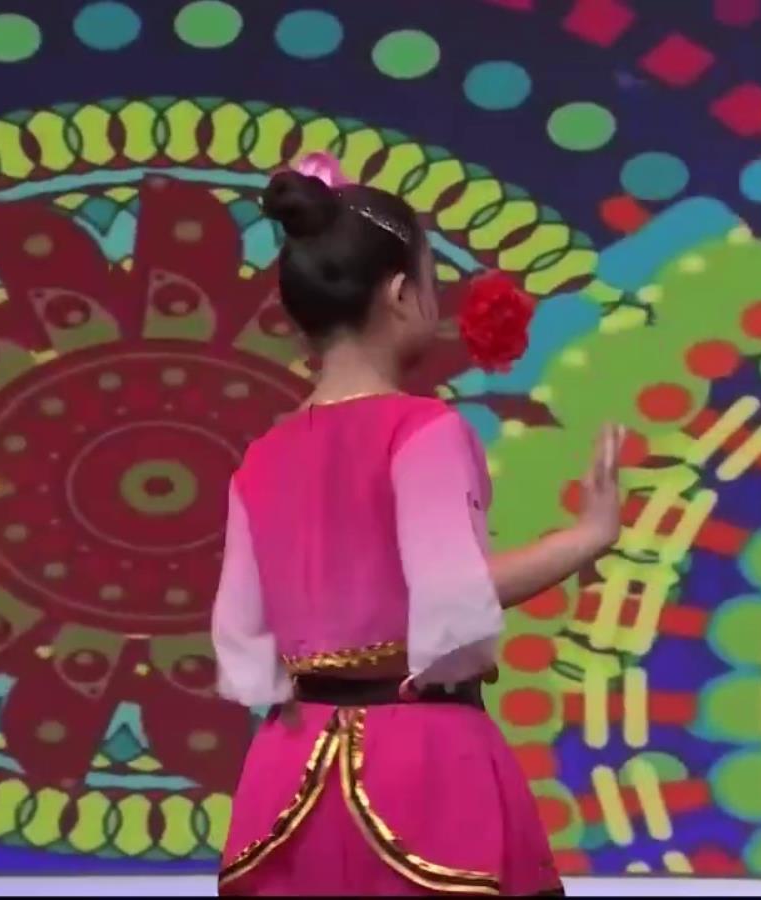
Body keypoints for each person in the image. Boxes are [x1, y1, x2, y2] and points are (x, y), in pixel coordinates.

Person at [212, 160, 624, 896]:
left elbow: (243, 636)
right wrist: (587, 535)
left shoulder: (261, 458)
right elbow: (453, 598)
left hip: (286, 768)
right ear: (402, 294)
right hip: (421, 764)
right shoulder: (423, 429)